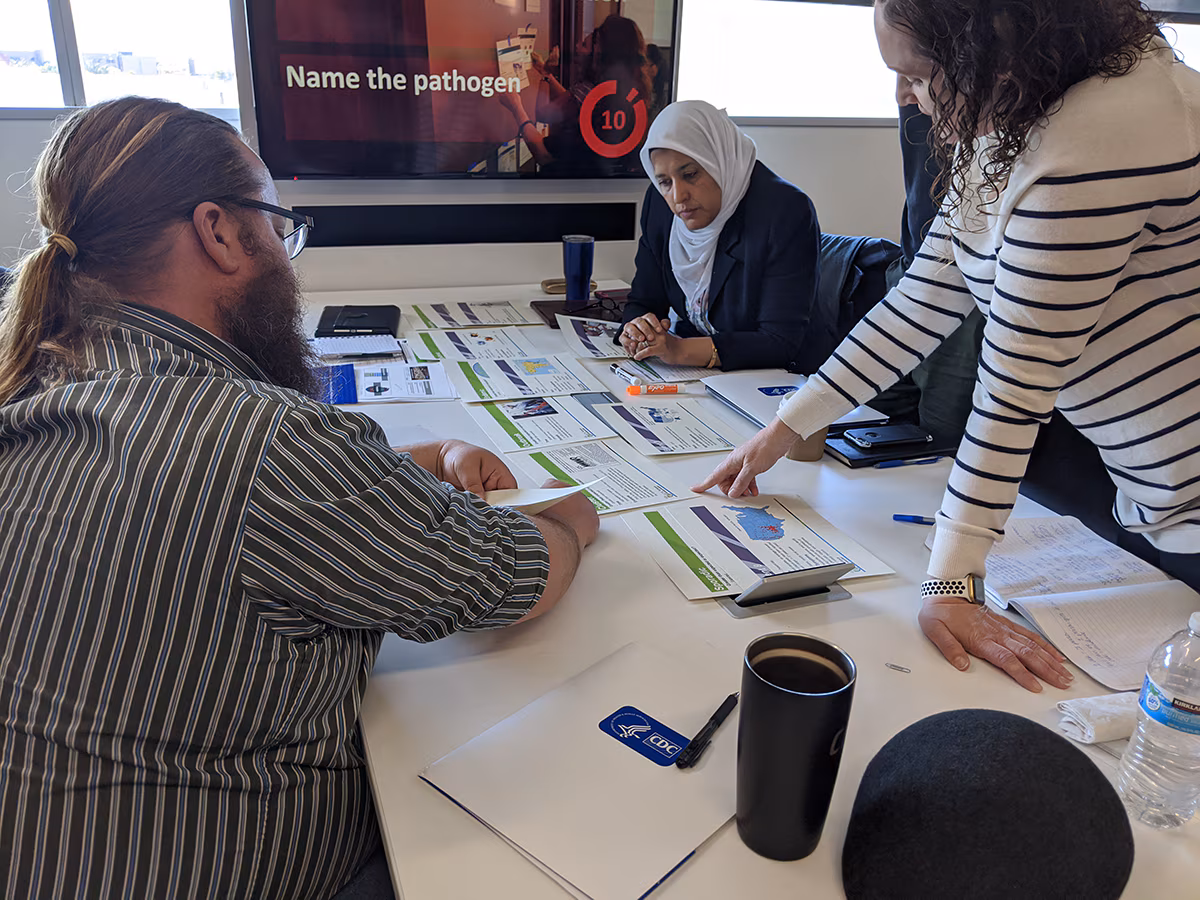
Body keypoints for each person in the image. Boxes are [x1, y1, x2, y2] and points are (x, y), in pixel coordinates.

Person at [0, 97, 598, 900]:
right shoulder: (268, 446)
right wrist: (576, 515)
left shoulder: (40, 387)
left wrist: (416, 460)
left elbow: (265, 488)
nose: (289, 257)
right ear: (218, 232)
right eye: (281, 229)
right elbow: (513, 575)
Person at [697, 0, 1200, 692]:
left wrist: (952, 582)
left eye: (920, 73)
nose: (903, 97)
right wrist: (787, 425)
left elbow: (1017, 381)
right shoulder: (1015, 102)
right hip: (1141, 481)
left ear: (995, 41)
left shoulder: (1095, 139)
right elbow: (925, 297)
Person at [618, 100, 835, 373]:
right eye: (664, 182)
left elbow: (780, 342)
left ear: (719, 160)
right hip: (701, 375)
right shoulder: (659, 206)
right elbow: (644, 301)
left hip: (780, 381)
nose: (677, 196)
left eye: (690, 174)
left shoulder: (785, 211)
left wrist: (679, 350)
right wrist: (639, 329)